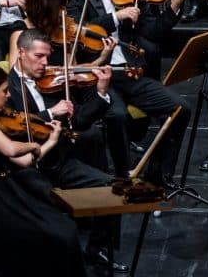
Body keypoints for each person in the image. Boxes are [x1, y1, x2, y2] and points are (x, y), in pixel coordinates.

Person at [67, 0, 192, 186]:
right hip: (98, 75)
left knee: (181, 108)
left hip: (130, 71)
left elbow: (154, 32)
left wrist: (173, 8)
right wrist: (115, 17)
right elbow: (76, 32)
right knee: (118, 115)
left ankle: (156, 175)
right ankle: (122, 177)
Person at [8, 29, 129, 272]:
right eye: (38, 56)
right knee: (58, 232)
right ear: (21, 53)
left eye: (47, 57)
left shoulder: (51, 81)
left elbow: (80, 122)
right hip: (27, 171)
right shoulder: (7, 88)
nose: (45, 64)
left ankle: (98, 249)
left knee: (113, 188)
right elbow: (17, 128)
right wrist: (51, 113)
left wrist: (101, 93)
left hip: (59, 162)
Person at [0, 64, 87, 277]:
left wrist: (50, 141)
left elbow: (25, 161)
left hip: (4, 191)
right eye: (4, 91)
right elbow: (11, 149)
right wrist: (33, 145)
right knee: (52, 235)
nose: (8, 96)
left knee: (63, 228)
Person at [7, 0, 116, 169]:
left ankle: (98, 179)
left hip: (61, 88)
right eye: (61, 8)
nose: (64, 13)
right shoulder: (20, 31)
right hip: (38, 94)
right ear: (46, 7)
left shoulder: (63, 30)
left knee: (104, 118)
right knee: (89, 134)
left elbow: (70, 67)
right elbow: (16, 74)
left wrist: (99, 60)